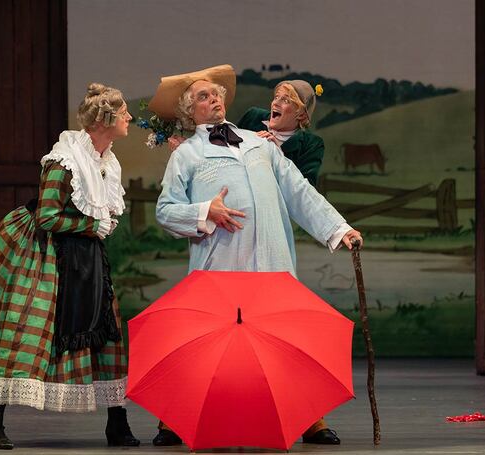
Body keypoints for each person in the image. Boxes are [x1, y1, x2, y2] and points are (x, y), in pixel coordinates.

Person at [151, 65, 362, 446]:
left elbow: (299, 191)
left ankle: (309, 418)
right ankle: (173, 420)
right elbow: (165, 211)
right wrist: (204, 212)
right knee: (208, 341)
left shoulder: (258, 142)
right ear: (189, 112)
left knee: (284, 338)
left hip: (270, 257)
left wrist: (339, 228)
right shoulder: (188, 155)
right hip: (221, 262)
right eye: (203, 96)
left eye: (215, 93)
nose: (213, 98)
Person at [0, 83, 140, 449]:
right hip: (43, 254)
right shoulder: (64, 161)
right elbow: (46, 216)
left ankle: (117, 423)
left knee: (106, 331)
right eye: (123, 114)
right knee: (25, 330)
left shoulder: (106, 162)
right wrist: (93, 225)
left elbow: (100, 208)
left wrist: (98, 225)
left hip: (85, 254)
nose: (129, 119)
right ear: (106, 120)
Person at [236, 80, 324, 186]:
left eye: (286, 100)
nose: (275, 103)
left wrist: (279, 155)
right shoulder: (253, 117)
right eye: (276, 97)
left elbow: (307, 192)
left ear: (301, 115)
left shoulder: (311, 144)